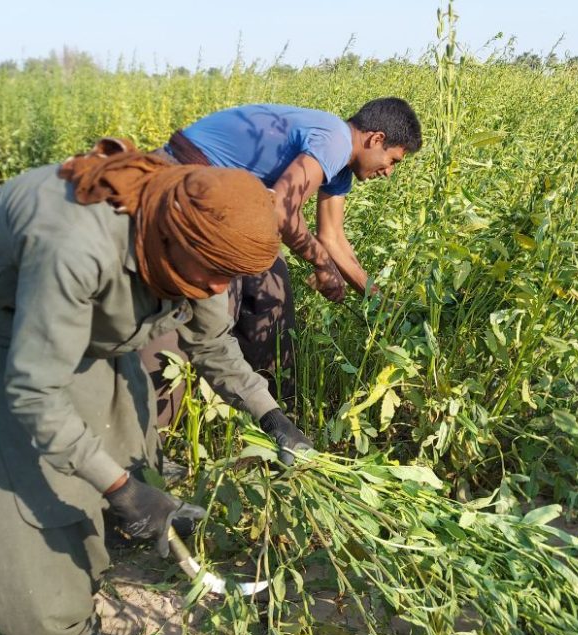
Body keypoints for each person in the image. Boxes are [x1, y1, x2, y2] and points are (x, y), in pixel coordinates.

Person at [0, 138, 313, 635]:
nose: (218, 289)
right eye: (214, 275)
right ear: (175, 241)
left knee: (121, 412)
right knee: (29, 476)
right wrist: (121, 487)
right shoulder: (76, 245)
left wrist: (273, 418)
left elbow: (212, 342)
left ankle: (127, 520)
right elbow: (35, 394)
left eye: (228, 279)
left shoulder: (201, 243)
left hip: (66, 318)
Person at [139, 97, 422, 424]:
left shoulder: (341, 168)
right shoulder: (335, 138)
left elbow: (333, 240)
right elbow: (282, 211)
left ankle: (270, 418)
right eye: (393, 160)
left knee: (272, 291)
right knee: (193, 308)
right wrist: (321, 264)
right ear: (376, 139)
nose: (388, 172)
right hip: (181, 181)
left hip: (225, 204)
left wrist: (383, 305)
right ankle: (150, 438)